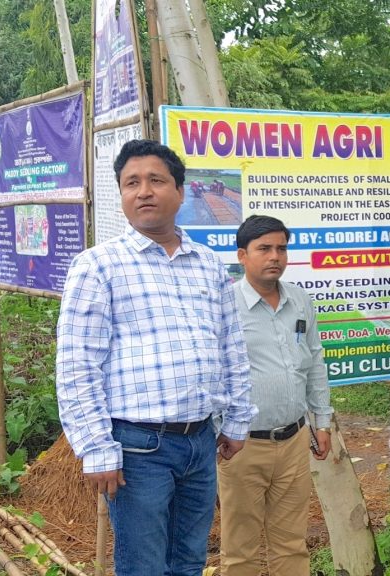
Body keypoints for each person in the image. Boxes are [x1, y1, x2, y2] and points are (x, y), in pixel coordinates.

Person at [55, 139, 257, 575]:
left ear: (180, 192)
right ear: (122, 195)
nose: (143, 191)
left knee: (189, 561)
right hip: (137, 448)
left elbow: (231, 348)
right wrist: (95, 447)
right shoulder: (98, 266)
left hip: (201, 442)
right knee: (144, 566)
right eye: (132, 183)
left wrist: (238, 419)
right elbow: (77, 365)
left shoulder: (208, 265)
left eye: (156, 180)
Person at [219, 215, 334, 575]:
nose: (275, 256)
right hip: (240, 446)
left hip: (294, 441)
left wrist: (323, 420)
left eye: (281, 248)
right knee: (241, 550)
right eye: (264, 248)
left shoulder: (299, 300)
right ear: (242, 255)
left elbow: (314, 361)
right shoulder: (225, 304)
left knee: (291, 545)